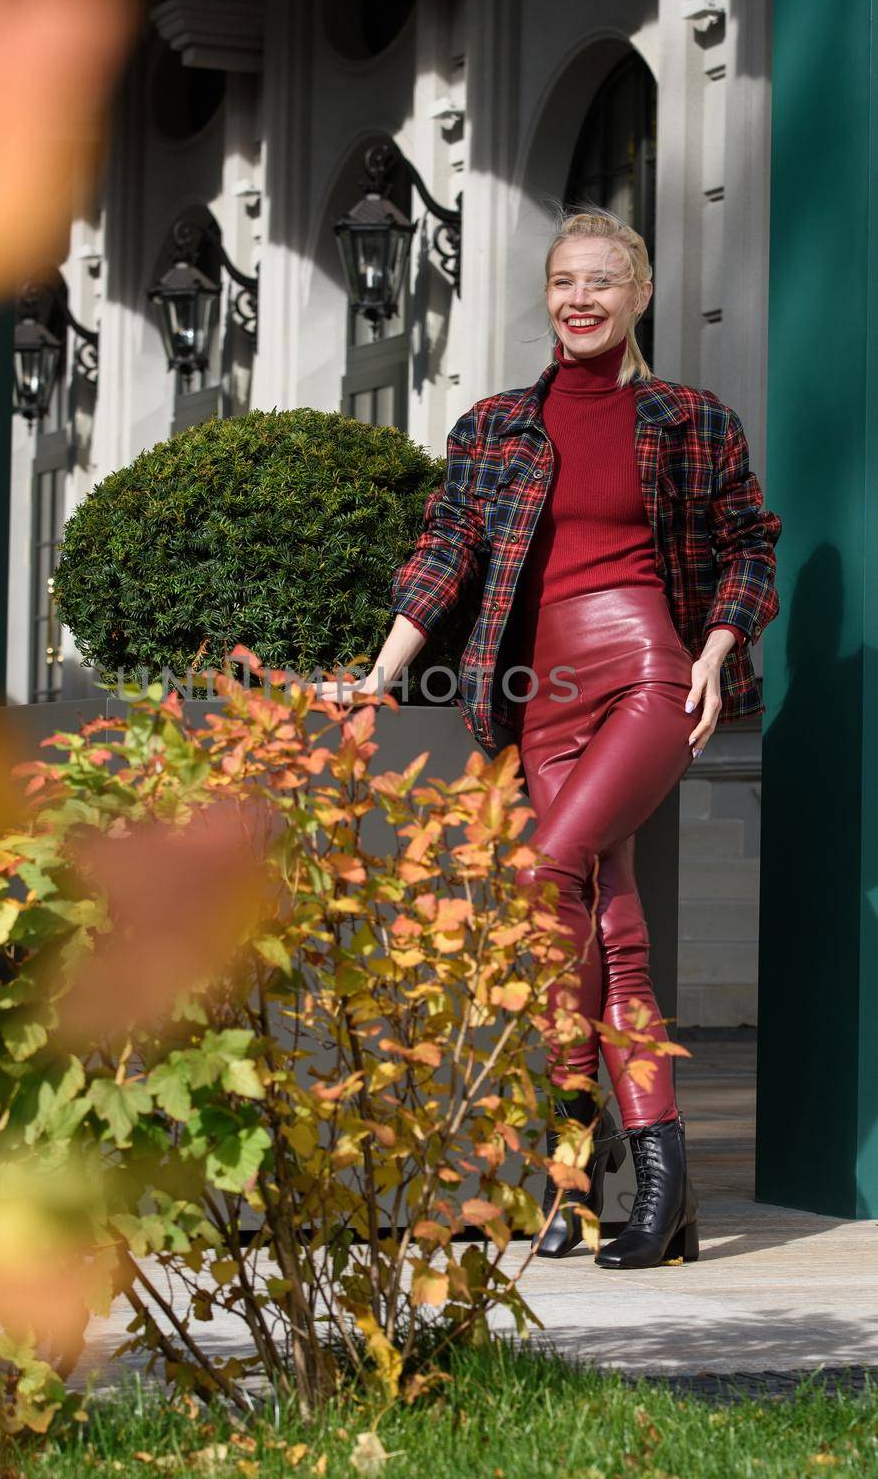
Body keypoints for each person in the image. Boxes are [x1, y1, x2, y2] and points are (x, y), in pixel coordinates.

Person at [354, 207, 782, 1270]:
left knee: (551, 866)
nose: (579, 299)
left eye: (602, 280)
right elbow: (444, 550)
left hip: (650, 671)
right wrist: (374, 680)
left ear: (641, 293)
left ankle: (594, 1155)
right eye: (562, 282)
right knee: (596, 916)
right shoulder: (496, 425)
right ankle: (627, 1184)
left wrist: (717, 652)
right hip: (539, 696)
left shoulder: (691, 418)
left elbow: (749, 545)